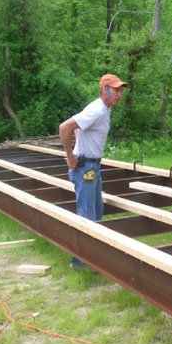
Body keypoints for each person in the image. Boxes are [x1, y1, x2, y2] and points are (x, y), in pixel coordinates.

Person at [59, 73, 128, 267]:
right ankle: (80, 260)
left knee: (97, 211)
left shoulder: (103, 109)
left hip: (93, 166)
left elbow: (77, 126)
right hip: (85, 167)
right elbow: (65, 127)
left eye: (121, 91)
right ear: (104, 90)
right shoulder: (97, 110)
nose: (119, 95)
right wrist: (70, 155)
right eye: (116, 90)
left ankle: (89, 255)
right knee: (87, 215)